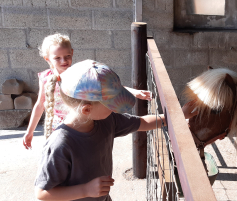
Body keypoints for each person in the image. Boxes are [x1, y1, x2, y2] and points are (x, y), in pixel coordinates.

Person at [34, 60, 197, 201]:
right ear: (86, 109)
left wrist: (178, 116)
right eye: (111, 105)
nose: (115, 110)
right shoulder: (60, 144)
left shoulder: (105, 120)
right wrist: (86, 190)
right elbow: (42, 192)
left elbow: (141, 122)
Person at [23, 33, 151, 149]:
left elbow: (104, 86)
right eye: (57, 58)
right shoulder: (45, 77)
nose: (64, 61)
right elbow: (40, 105)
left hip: (82, 121)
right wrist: (30, 131)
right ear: (47, 58)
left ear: (72, 52)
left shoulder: (79, 73)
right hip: (58, 126)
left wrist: (134, 92)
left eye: (67, 56)